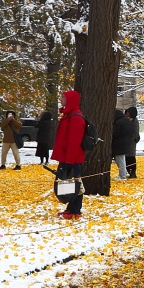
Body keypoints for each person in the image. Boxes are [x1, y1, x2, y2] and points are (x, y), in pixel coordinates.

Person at [50, 89, 88, 219]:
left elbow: (74, 141)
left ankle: (75, 210)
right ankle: (70, 208)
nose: (61, 99)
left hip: (72, 158)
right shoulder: (69, 115)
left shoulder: (75, 117)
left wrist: (70, 159)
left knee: (75, 182)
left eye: (63, 97)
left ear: (70, 100)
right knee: (68, 182)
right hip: (67, 157)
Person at [123, 105, 141, 178]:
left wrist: (131, 139)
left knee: (131, 157)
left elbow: (135, 132)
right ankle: (128, 171)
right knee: (126, 158)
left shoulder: (134, 121)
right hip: (127, 141)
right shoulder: (127, 120)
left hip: (131, 142)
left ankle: (133, 172)